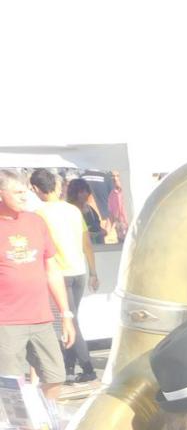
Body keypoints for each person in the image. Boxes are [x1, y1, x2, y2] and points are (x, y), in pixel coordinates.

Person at [0, 169, 72, 403]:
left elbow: (52, 270)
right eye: (17, 192)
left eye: (25, 192)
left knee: (56, 375)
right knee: (11, 385)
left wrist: (66, 315)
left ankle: (42, 418)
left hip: (41, 317)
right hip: (7, 320)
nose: (24, 197)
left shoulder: (36, 221)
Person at [29, 169, 97, 382]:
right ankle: (69, 366)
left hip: (60, 273)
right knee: (70, 319)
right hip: (79, 271)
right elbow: (86, 243)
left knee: (69, 321)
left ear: (36, 189)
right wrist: (94, 271)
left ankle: (87, 368)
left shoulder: (38, 214)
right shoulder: (73, 210)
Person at [66, 178, 111, 244]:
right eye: (82, 192)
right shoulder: (68, 211)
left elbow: (97, 226)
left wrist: (102, 231)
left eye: (86, 191)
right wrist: (91, 234)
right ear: (74, 193)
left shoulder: (90, 210)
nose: (85, 194)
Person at [106, 170, 129, 241]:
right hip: (121, 234)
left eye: (118, 176)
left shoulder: (130, 192)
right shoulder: (111, 195)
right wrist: (106, 231)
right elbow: (111, 216)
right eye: (113, 176)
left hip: (133, 232)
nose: (115, 179)